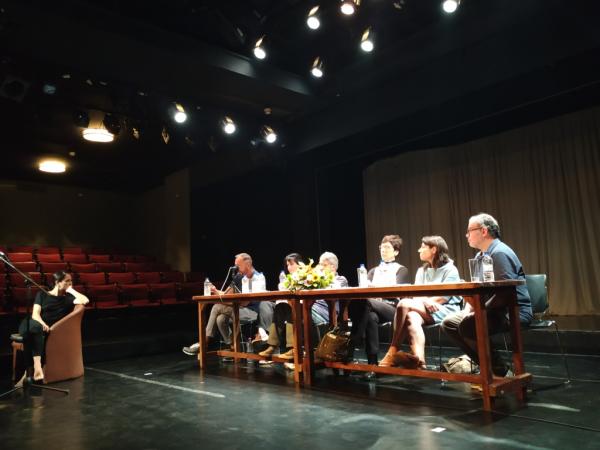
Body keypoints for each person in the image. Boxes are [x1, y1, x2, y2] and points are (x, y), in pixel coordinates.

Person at [441, 213, 533, 376]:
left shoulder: (500, 253)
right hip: (492, 310)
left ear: (483, 231)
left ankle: (500, 372)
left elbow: (504, 293)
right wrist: (468, 310)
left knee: (468, 325)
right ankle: (487, 368)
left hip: (512, 311)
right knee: (449, 323)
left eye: (469, 231)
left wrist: (479, 311)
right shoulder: (480, 256)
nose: (466, 235)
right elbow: (478, 290)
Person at [379, 236, 462, 368]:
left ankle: (393, 349)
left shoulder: (450, 269)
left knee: (403, 303)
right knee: (411, 317)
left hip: (445, 309)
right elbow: (417, 295)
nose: (419, 250)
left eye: (423, 247)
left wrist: (423, 300)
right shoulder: (421, 271)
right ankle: (420, 362)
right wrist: (425, 300)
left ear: (434, 249)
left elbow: (443, 298)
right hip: (425, 309)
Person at [258, 252, 348, 366]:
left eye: (323, 265)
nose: (319, 267)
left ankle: (294, 349)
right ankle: (272, 345)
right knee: (281, 307)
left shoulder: (340, 279)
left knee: (296, 309)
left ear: (333, 267)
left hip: (326, 312)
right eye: (319, 264)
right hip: (309, 307)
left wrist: (319, 280)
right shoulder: (317, 278)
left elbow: (333, 292)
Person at [347, 235, 410, 366]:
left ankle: (351, 345)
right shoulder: (373, 271)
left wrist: (375, 288)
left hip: (392, 308)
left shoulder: (401, 270)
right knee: (370, 317)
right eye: (381, 247)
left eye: (387, 247)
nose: (383, 250)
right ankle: (372, 364)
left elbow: (396, 292)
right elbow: (364, 288)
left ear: (396, 251)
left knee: (366, 302)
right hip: (372, 306)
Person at [182, 253, 263, 355]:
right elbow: (226, 295)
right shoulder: (239, 276)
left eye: (238, 266)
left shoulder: (255, 277)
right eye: (235, 265)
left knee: (217, 307)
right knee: (220, 319)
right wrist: (215, 290)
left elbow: (244, 303)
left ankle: (203, 344)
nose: (235, 268)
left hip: (251, 312)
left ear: (247, 264)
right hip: (238, 309)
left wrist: (224, 301)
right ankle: (233, 346)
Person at [17, 271, 89, 384]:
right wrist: (42, 323)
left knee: (31, 336)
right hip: (32, 323)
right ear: (57, 282)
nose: (70, 283)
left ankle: (27, 374)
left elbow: (85, 300)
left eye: (71, 281)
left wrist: (71, 290)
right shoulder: (42, 294)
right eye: (67, 281)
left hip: (45, 330)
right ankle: (37, 367)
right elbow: (35, 314)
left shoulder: (68, 299)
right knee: (35, 328)